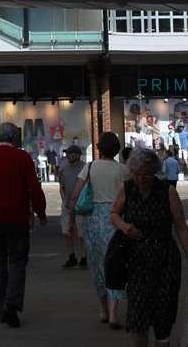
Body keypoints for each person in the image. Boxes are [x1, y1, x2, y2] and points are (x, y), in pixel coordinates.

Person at [0, 123, 48, 328]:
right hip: (17, 220)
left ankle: (2, 306)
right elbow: (34, 189)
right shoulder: (22, 158)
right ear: (13, 138)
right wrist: (41, 213)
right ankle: (12, 303)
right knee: (18, 263)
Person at [110, 149, 188, 347]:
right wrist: (124, 227)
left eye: (146, 174)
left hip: (165, 261)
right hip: (136, 260)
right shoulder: (126, 188)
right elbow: (113, 214)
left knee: (164, 313)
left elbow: (181, 228)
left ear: (155, 172)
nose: (141, 178)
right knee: (138, 316)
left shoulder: (167, 192)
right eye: (136, 174)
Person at [69, 132, 128, 329]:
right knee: (115, 264)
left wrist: (72, 220)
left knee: (97, 266)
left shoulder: (90, 166)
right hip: (115, 217)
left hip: (93, 219)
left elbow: (76, 195)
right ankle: (113, 312)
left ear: (99, 148)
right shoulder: (123, 170)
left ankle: (103, 309)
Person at [58, 145, 86, 269]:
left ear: (79, 155)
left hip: (81, 205)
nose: (70, 155)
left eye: (73, 153)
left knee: (82, 233)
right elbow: (62, 187)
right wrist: (65, 201)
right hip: (67, 205)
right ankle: (72, 256)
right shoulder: (63, 169)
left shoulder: (85, 168)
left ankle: (84, 257)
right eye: (68, 153)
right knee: (67, 232)